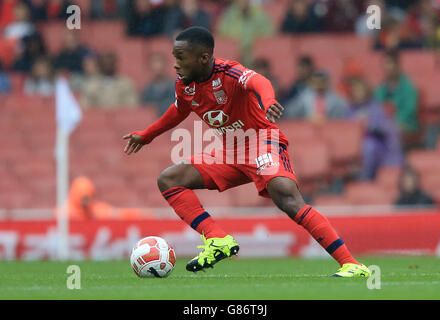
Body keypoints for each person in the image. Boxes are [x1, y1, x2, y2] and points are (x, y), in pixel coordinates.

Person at [122, 27, 370, 277]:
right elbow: (178, 111)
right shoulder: (185, 86)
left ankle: (351, 264)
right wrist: (146, 135)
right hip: (230, 151)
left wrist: (269, 100)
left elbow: (258, 81)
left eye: (181, 57)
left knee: (285, 196)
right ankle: (218, 240)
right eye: (174, 57)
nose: (175, 64)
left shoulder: (228, 72)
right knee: (169, 179)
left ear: (204, 58)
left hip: (261, 140)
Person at [347, 78, 403, 180]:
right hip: (353, 146)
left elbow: (385, 129)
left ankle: (365, 180)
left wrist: (369, 125)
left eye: (360, 91)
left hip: (377, 144)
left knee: (368, 147)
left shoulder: (376, 108)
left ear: (366, 92)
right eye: (355, 91)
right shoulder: (349, 110)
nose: (358, 94)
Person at [374, 51, 419, 142]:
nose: (386, 67)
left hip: (405, 124)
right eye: (384, 64)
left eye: (389, 63)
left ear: (397, 66)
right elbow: (375, 107)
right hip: (384, 124)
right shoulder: (380, 88)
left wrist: (392, 123)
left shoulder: (408, 87)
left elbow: (409, 110)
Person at [283, 70, 349, 122]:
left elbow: (344, 113)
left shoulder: (335, 98)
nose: (319, 84)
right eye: (317, 82)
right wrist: (305, 117)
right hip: (308, 128)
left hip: (330, 128)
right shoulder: (305, 97)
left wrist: (329, 119)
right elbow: (290, 111)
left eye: (322, 82)